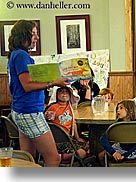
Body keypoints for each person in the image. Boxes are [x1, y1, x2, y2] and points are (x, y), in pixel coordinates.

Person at [7, 20, 69, 166]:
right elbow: (27, 85)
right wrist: (53, 82)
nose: (37, 37)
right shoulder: (22, 56)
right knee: (53, 158)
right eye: (33, 34)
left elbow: (15, 88)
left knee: (29, 158)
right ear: (23, 35)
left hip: (21, 110)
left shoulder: (15, 55)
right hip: (29, 112)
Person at [44, 86, 90, 161]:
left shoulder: (70, 107)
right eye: (61, 91)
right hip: (56, 141)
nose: (64, 93)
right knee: (82, 153)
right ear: (56, 94)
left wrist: (77, 138)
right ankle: (59, 157)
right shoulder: (53, 107)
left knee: (87, 146)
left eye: (66, 91)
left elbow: (73, 123)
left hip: (69, 139)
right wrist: (46, 116)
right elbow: (47, 119)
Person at [98, 100, 136, 166]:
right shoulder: (117, 125)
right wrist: (114, 153)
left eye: (121, 108)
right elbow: (103, 139)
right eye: (118, 108)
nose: (118, 110)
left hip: (132, 152)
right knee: (101, 155)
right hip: (121, 150)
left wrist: (125, 155)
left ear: (130, 111)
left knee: (102, 156)